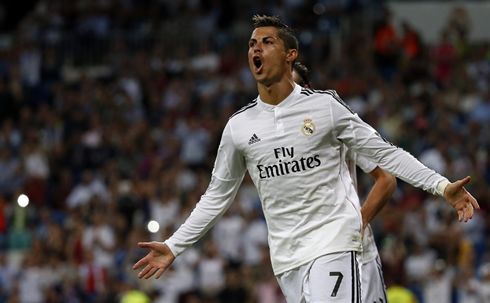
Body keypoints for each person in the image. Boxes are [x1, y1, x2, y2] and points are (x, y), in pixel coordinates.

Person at [134, 15, 479, 303]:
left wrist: (441, 186)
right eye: (252, 43)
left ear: (289, 54)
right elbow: (215, 197)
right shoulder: (238, 127)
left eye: (267, 42)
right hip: (287, 259)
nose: (256, 47)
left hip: (336, 242)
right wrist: (174, 245)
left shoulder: (325, 107)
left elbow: (385, 155)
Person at [293, 61, 394, 303]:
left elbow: (386, 179)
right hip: (308, 258)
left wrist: (360, 222)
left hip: (357, 255)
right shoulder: (271, 141)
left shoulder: (337, 125)